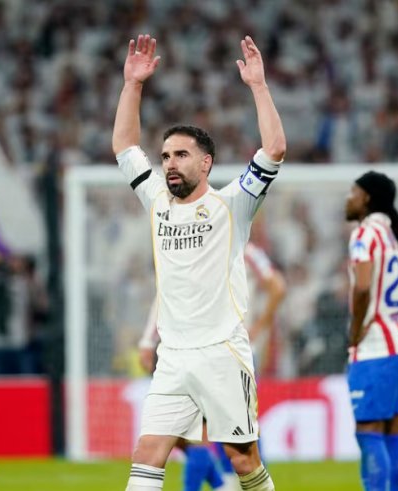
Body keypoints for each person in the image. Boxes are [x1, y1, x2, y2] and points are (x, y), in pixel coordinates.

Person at [113, 34, 285, 491]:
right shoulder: (157, 201)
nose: (170, 163)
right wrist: (132, 85)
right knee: (148, 453)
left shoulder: (234, 204)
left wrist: (258, 87)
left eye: (181, 155)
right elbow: (125, 147)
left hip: (222, 352)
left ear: (206, 163)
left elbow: (274, 149)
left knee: (243, 459)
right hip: (173, 356)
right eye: (166, 156)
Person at [138, 242, 286, 491]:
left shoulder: (244, 251)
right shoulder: (195, 247)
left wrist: (259, 327)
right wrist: (148, 339)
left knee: (218, 432)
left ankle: (229, 484)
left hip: (225, 351)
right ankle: (225, 484)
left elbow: (277, 287)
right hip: (196, 349)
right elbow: (166, 293)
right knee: (205, 432)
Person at [344, 171, 398, 491]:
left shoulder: (365, 234)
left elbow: (363, 286)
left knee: (368, 432)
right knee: (393, 432)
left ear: (366, 198)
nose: (348, 198)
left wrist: (356, 329)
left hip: (376, 347)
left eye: (353, 192)